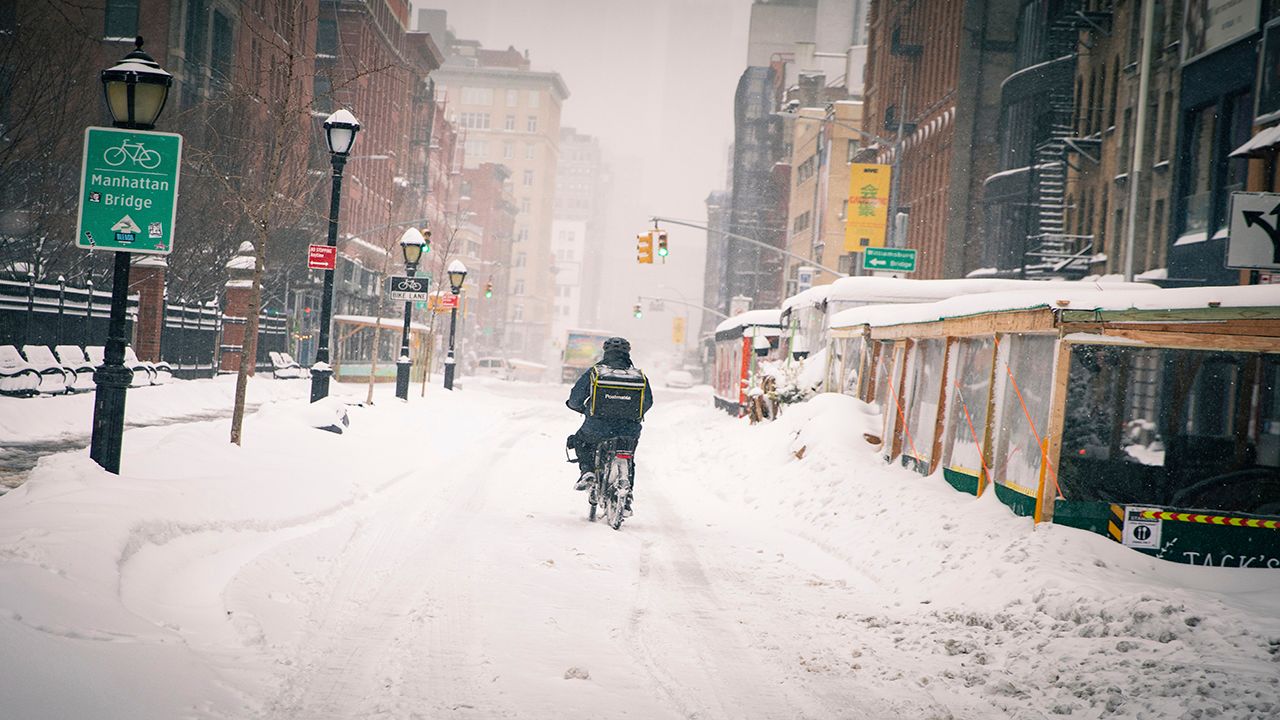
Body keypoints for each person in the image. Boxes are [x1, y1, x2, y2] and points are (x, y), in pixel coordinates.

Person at [566, 336, 653, 515]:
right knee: (628, 458)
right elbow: (648, 402)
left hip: (597, 426)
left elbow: (576, 399)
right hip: (629, 430)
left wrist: (582, 409)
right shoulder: (638, 376)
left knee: (581, 441)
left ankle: (588, 472)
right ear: (627, 353)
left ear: (606, 352)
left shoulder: (596, 372)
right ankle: (627, 497)